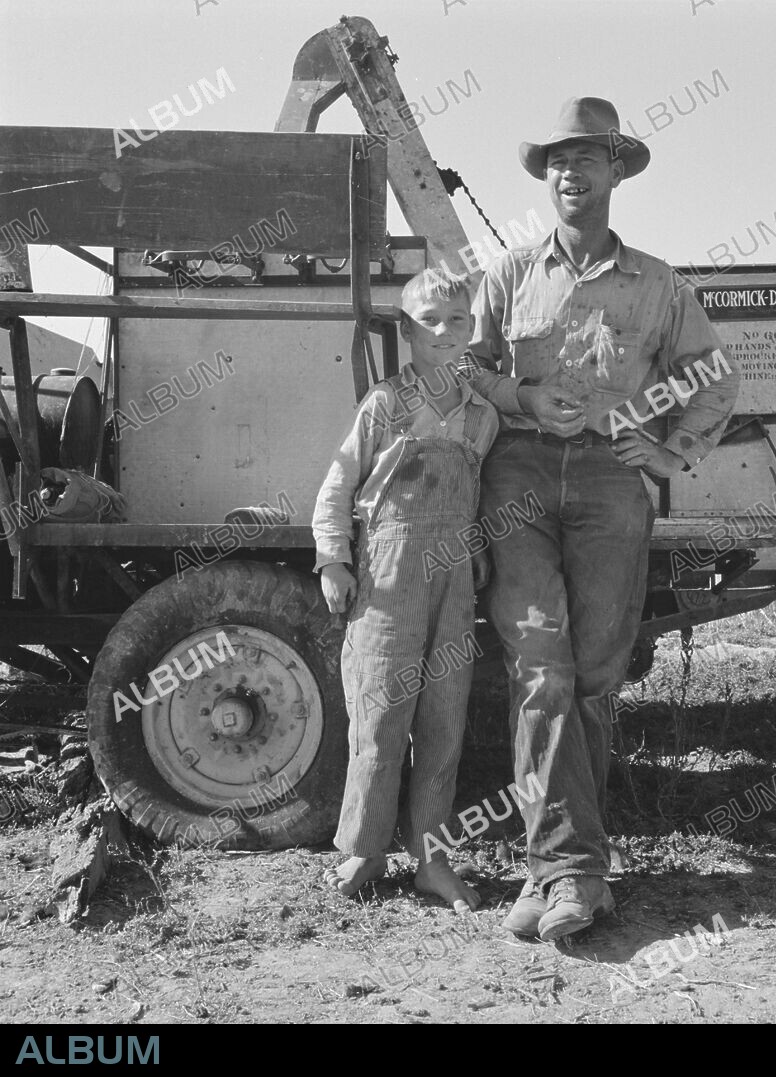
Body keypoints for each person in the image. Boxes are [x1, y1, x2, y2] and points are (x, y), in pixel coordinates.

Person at [465, 97, 740, 940]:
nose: (569, 172)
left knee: (592, 675)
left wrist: (673, 451)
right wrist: (522, 393)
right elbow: (465, 369)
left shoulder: (659, 283)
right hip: (516, 477)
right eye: (556, 159)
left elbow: (713, 373)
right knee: (539, 667)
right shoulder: (510, 273)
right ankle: (572, 871)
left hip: (613, 483)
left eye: (586, 157)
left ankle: (551, 869)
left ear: (617, 171)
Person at [312, 269, 498, 912]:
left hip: (455, 577)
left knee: (444, 719)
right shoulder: (386, 405)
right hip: (388, 574)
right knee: (380, 712)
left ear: (473, 328)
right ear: (408, 329)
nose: (445, 332)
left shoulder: (483, 417)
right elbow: (338, 487)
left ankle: (432, 860)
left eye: (457, 319)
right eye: (430, 320)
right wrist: (333, 560)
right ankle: (363, 851)